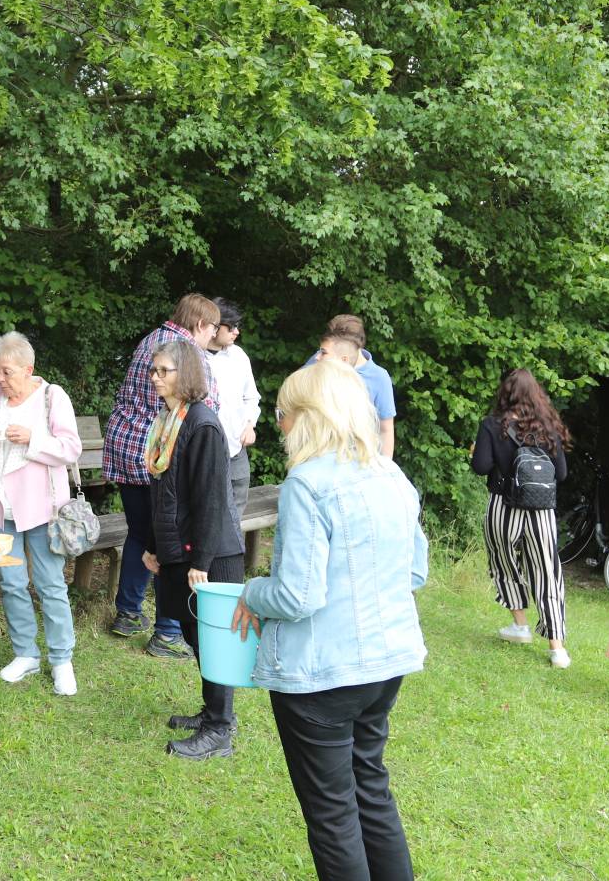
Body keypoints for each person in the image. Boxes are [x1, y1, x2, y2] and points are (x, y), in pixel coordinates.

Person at [233, 359, 428, 880]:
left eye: (281, 413)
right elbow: (414, 571)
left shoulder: (308, 483)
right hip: (386, 668)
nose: (278, 425)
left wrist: (252, 591)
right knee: (371, 788)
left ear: (308, 416)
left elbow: (297, 595)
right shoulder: (393, 476)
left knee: (333, 814)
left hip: (322, 677)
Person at [0, 332, 83, 696]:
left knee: (50, 584)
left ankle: (61, 660)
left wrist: (33, 438)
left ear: (28, 369)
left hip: (42, 506)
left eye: (7, 372)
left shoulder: (51, 397)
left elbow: (71, 448)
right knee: (11, 584)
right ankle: (25, 654)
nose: (0, 379)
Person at [143, 341, 246, 760]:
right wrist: (154, 547)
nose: (155, 377)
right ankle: (213, 712)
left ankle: (220, 729)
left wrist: (200, 562)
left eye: (164, 371)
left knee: (212, 641)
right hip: (180, 550)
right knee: (191, 633)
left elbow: (211, 500)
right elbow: (164, 493)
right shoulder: (169, 420)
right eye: (154, 370)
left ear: (184, 376)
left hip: (209, 553)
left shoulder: (201, 425)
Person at [103, 293, 220, 658]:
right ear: (201, 324)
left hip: (126, 447)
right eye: (213, 330)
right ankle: (168, 631)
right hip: (163, 455)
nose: (212, 339)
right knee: (173, 539)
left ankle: (128, 612)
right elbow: (207, 405)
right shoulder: (188, 353)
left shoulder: (147, 342)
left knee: (142, 533)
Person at [470, 367, 572, 669]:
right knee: (548, 573)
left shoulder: (491, 425)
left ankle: (520, 625)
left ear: (505, 393)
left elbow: (480, 466)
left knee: (504, 563)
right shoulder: (548, 427)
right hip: (541, 511)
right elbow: (562, 474)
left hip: (504, 506)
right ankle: (557, 648)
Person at [206, 296, 261, 526]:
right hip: (207, 450)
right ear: (214, 327)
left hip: (237, 450)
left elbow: (251, 396)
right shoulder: (195, 357)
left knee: (236, 511)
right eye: (232, 326)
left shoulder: (238, 356)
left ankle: (231, 558)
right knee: (208, 510)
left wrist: (250, 424)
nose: (236, 332)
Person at [309, 314, 397, 458]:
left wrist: (384, 472)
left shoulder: (379, 378)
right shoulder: (317, 363)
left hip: (360, 468)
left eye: (324, 353)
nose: (317, 357)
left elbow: (385, 430)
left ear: (344, 359)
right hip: (319, 462)